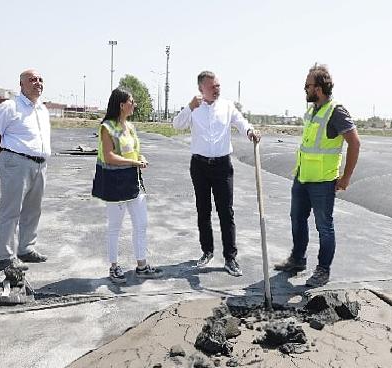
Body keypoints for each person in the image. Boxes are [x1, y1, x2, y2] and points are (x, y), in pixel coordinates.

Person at [274, 64, 361, 287]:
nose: (305, 89)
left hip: (323, 182)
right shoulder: (313, 111)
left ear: (319, 88)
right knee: (297, 219)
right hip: (302, 178)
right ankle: (297, 260)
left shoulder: (336, 111)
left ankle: (323, 270)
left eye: (308, 85)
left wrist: (345, 177)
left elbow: (355, 142)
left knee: (324, 226)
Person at [172, 71, 260, 277]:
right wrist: (189, 107)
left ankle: (230, 258)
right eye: (213, 87)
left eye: (219, 86)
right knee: (203, 210)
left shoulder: (227, 106)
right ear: (201, 88)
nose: (217, 90)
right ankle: (207, 251)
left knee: (226, 211)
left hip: (222, 166)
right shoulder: (194, 108)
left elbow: (241, 122)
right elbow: (177, 125)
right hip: (199, 166)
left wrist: (250, 132)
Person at [91, 88, 163, 283]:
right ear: (122, 105)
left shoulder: (130, 127)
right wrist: (134, 163)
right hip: (115, 184)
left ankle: (141, 265)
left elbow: (134, 152)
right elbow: (109, 156)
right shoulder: (107, 127)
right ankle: (114, 267)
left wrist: (141, 158)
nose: (135, 104)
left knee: (141, 224)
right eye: (132, 101)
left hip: (133, 182)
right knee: (115, 227)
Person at [0, 69, 50, 271]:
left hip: (40, 165)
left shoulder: (42, 109)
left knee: (33, 210)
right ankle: (5, 257)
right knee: (10, 210)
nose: (37, 83)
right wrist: (7, 157)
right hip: (16, 163)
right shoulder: (9, 107)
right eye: (32, 80)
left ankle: (26, 249)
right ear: (21, 84)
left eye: (40, 80)